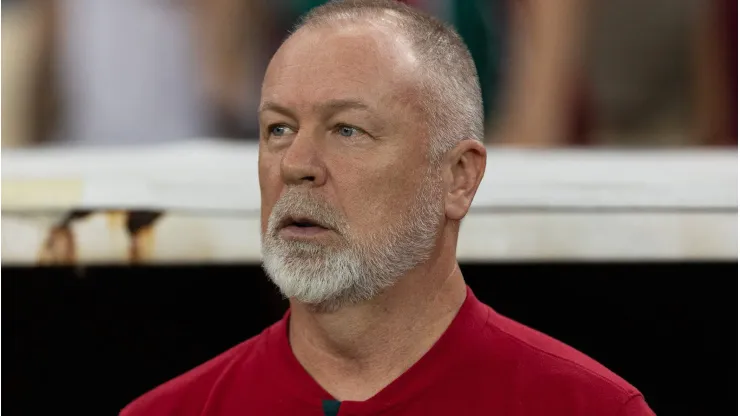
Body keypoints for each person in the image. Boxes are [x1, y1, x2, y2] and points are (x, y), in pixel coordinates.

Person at [121, 1, 655, 415]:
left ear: (459, 176)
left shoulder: (588, 408)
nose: (296, 164)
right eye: (278, 129)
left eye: (347, 129)